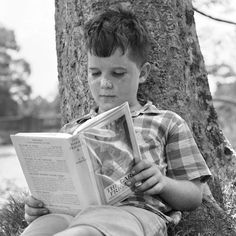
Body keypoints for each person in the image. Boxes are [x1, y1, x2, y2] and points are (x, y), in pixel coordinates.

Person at [21, 7, 211, 236]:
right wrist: (37, 207)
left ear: (142, 74)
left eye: (118, 74)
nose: (104, 84)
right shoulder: (71, 131)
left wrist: (163, 182)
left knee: (84, 233)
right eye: (95, 73)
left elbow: (194, 195)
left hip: (133, 215)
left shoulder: (166, 122)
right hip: (71, 215)